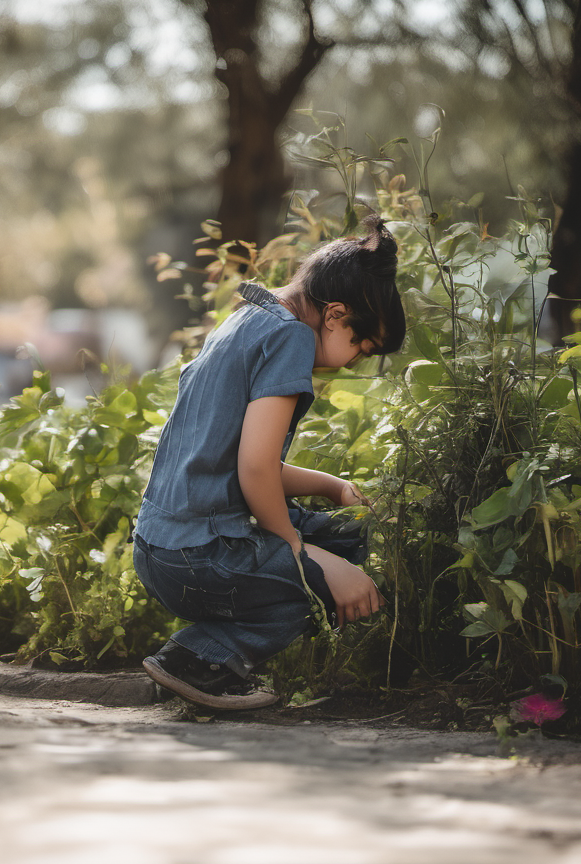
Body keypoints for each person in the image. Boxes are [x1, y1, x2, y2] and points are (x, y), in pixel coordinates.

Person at [133, 214, 406, 709]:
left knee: (350, 535)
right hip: (199, 553)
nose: (354, 361)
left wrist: (329, 486)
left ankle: (200, 658)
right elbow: (255, 469)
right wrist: (300, 553)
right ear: (336, 314)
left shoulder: (249, 318)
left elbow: (233, 459)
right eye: (361, 347)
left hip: (163, 546)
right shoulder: (292, 337)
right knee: (328, 576)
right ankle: (198, 660)